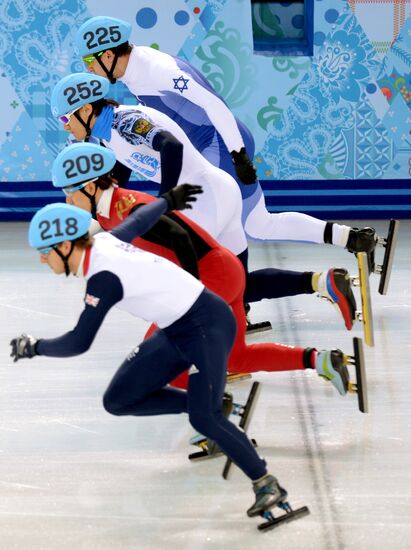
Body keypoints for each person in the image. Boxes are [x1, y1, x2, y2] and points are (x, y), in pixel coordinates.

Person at [9, 196, 286, 519]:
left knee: (204, 418)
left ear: (66, 246)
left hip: (207, 325)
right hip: (176, 330)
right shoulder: (105, 241)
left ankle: (266, 483)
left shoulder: (103, 277)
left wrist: (34, 346)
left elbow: (79, 341)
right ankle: (210, 404)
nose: (43, 261)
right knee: (118, 399)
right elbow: (140, 220)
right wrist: (169, 200)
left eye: (44, 252)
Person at [50, 73, 357, 333]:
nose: (65, 126)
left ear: (86, 109)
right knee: (238, 283)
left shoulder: (125, 121)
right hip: (219, 191)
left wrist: (165, 199)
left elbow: (169, 145)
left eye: (65, 118)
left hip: (201, 199)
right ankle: (324, 282)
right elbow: (124, 170)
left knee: (188, 280)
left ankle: (189, 348)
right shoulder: (108, 135)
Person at [51, 141, 353, 397]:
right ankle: (322, 360)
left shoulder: (128, 207)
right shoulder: (106, 211)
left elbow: (180, 237)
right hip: (225, 271)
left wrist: (191, 292)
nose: (67, 199)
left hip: (211, 277)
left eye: (69, 191)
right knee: (237, 358)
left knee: (159, 357)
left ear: (90, 186)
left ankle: (212, 415)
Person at [74, 16, 378, 259]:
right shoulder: (135, 71)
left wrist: (238, 154)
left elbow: (212, 102)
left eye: (89, 62)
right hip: (214, 146)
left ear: (109, 55)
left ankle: (227, 303)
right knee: (259, 224)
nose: (88, 69)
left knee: (199, 228)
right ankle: (351, 237)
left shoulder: (156, 69)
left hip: (220, 144)